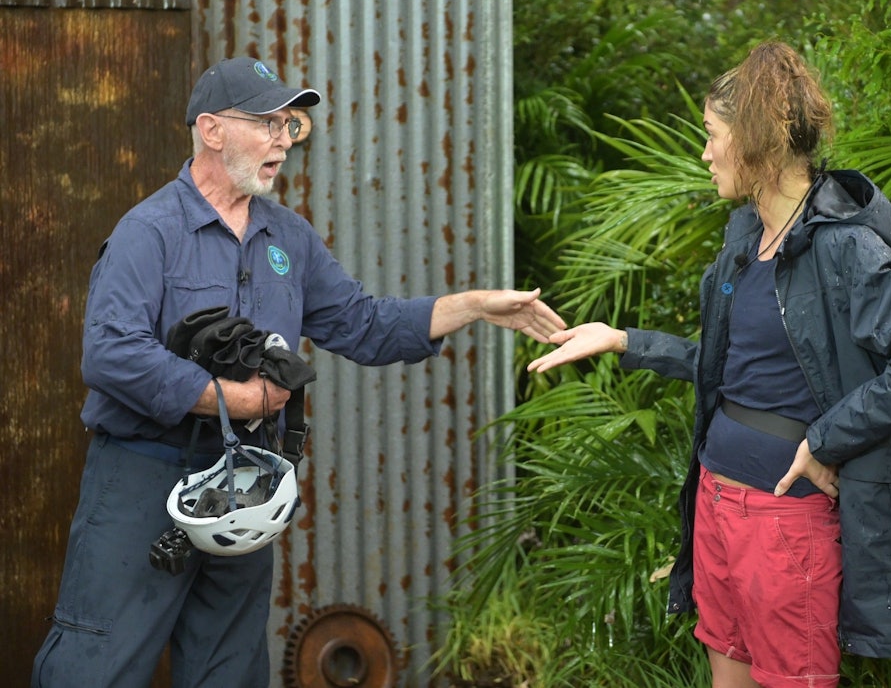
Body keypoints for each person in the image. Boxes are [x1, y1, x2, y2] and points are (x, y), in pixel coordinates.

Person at [32, 55, 566, 688]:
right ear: (212, 130)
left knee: (229, 669)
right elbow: (112, 355)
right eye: (268, 122)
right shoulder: (148, 232)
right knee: (98, 665)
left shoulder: (289, 238)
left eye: (291, 125)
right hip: (141, 479)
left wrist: (474, 306)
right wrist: (236, 399)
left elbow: (364, 324)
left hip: (244, 485)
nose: (284, 139)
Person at [527, 41, 891, 688]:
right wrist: (624, 340)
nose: (704, 154)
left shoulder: (845, 250)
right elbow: (732, 367)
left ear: (755, 141)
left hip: (785, 523)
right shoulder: (746, 238)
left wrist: (826, 439)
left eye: (712, 136)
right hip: (716, 497)